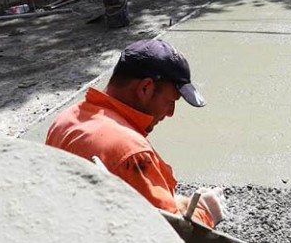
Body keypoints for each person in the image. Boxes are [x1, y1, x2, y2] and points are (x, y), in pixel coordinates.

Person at [46, 39, 223, 228]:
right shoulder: (131, 152)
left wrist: (178, 202)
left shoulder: (65, 120)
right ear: (145, 88)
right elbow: (172, 236)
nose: (170, 113)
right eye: (171, 101)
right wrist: (205, 212)